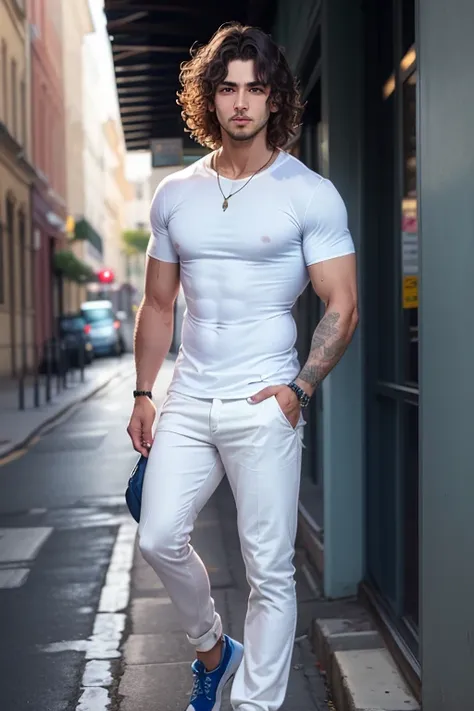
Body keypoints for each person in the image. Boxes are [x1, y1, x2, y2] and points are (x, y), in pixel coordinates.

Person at [127, 22, 358, 711]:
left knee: (270, 572)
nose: (241, 102)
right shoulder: (175, 194)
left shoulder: (308, 192)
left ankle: (254, 705)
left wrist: (299, 387)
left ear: (275, 99)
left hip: (266, 400)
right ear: (210, 97)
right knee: (160, 536)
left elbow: (341, 304)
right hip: (191, 395)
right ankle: (210, 645)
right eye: (227, 88)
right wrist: (144, 391)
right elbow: (159, 302)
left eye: (255, 89)